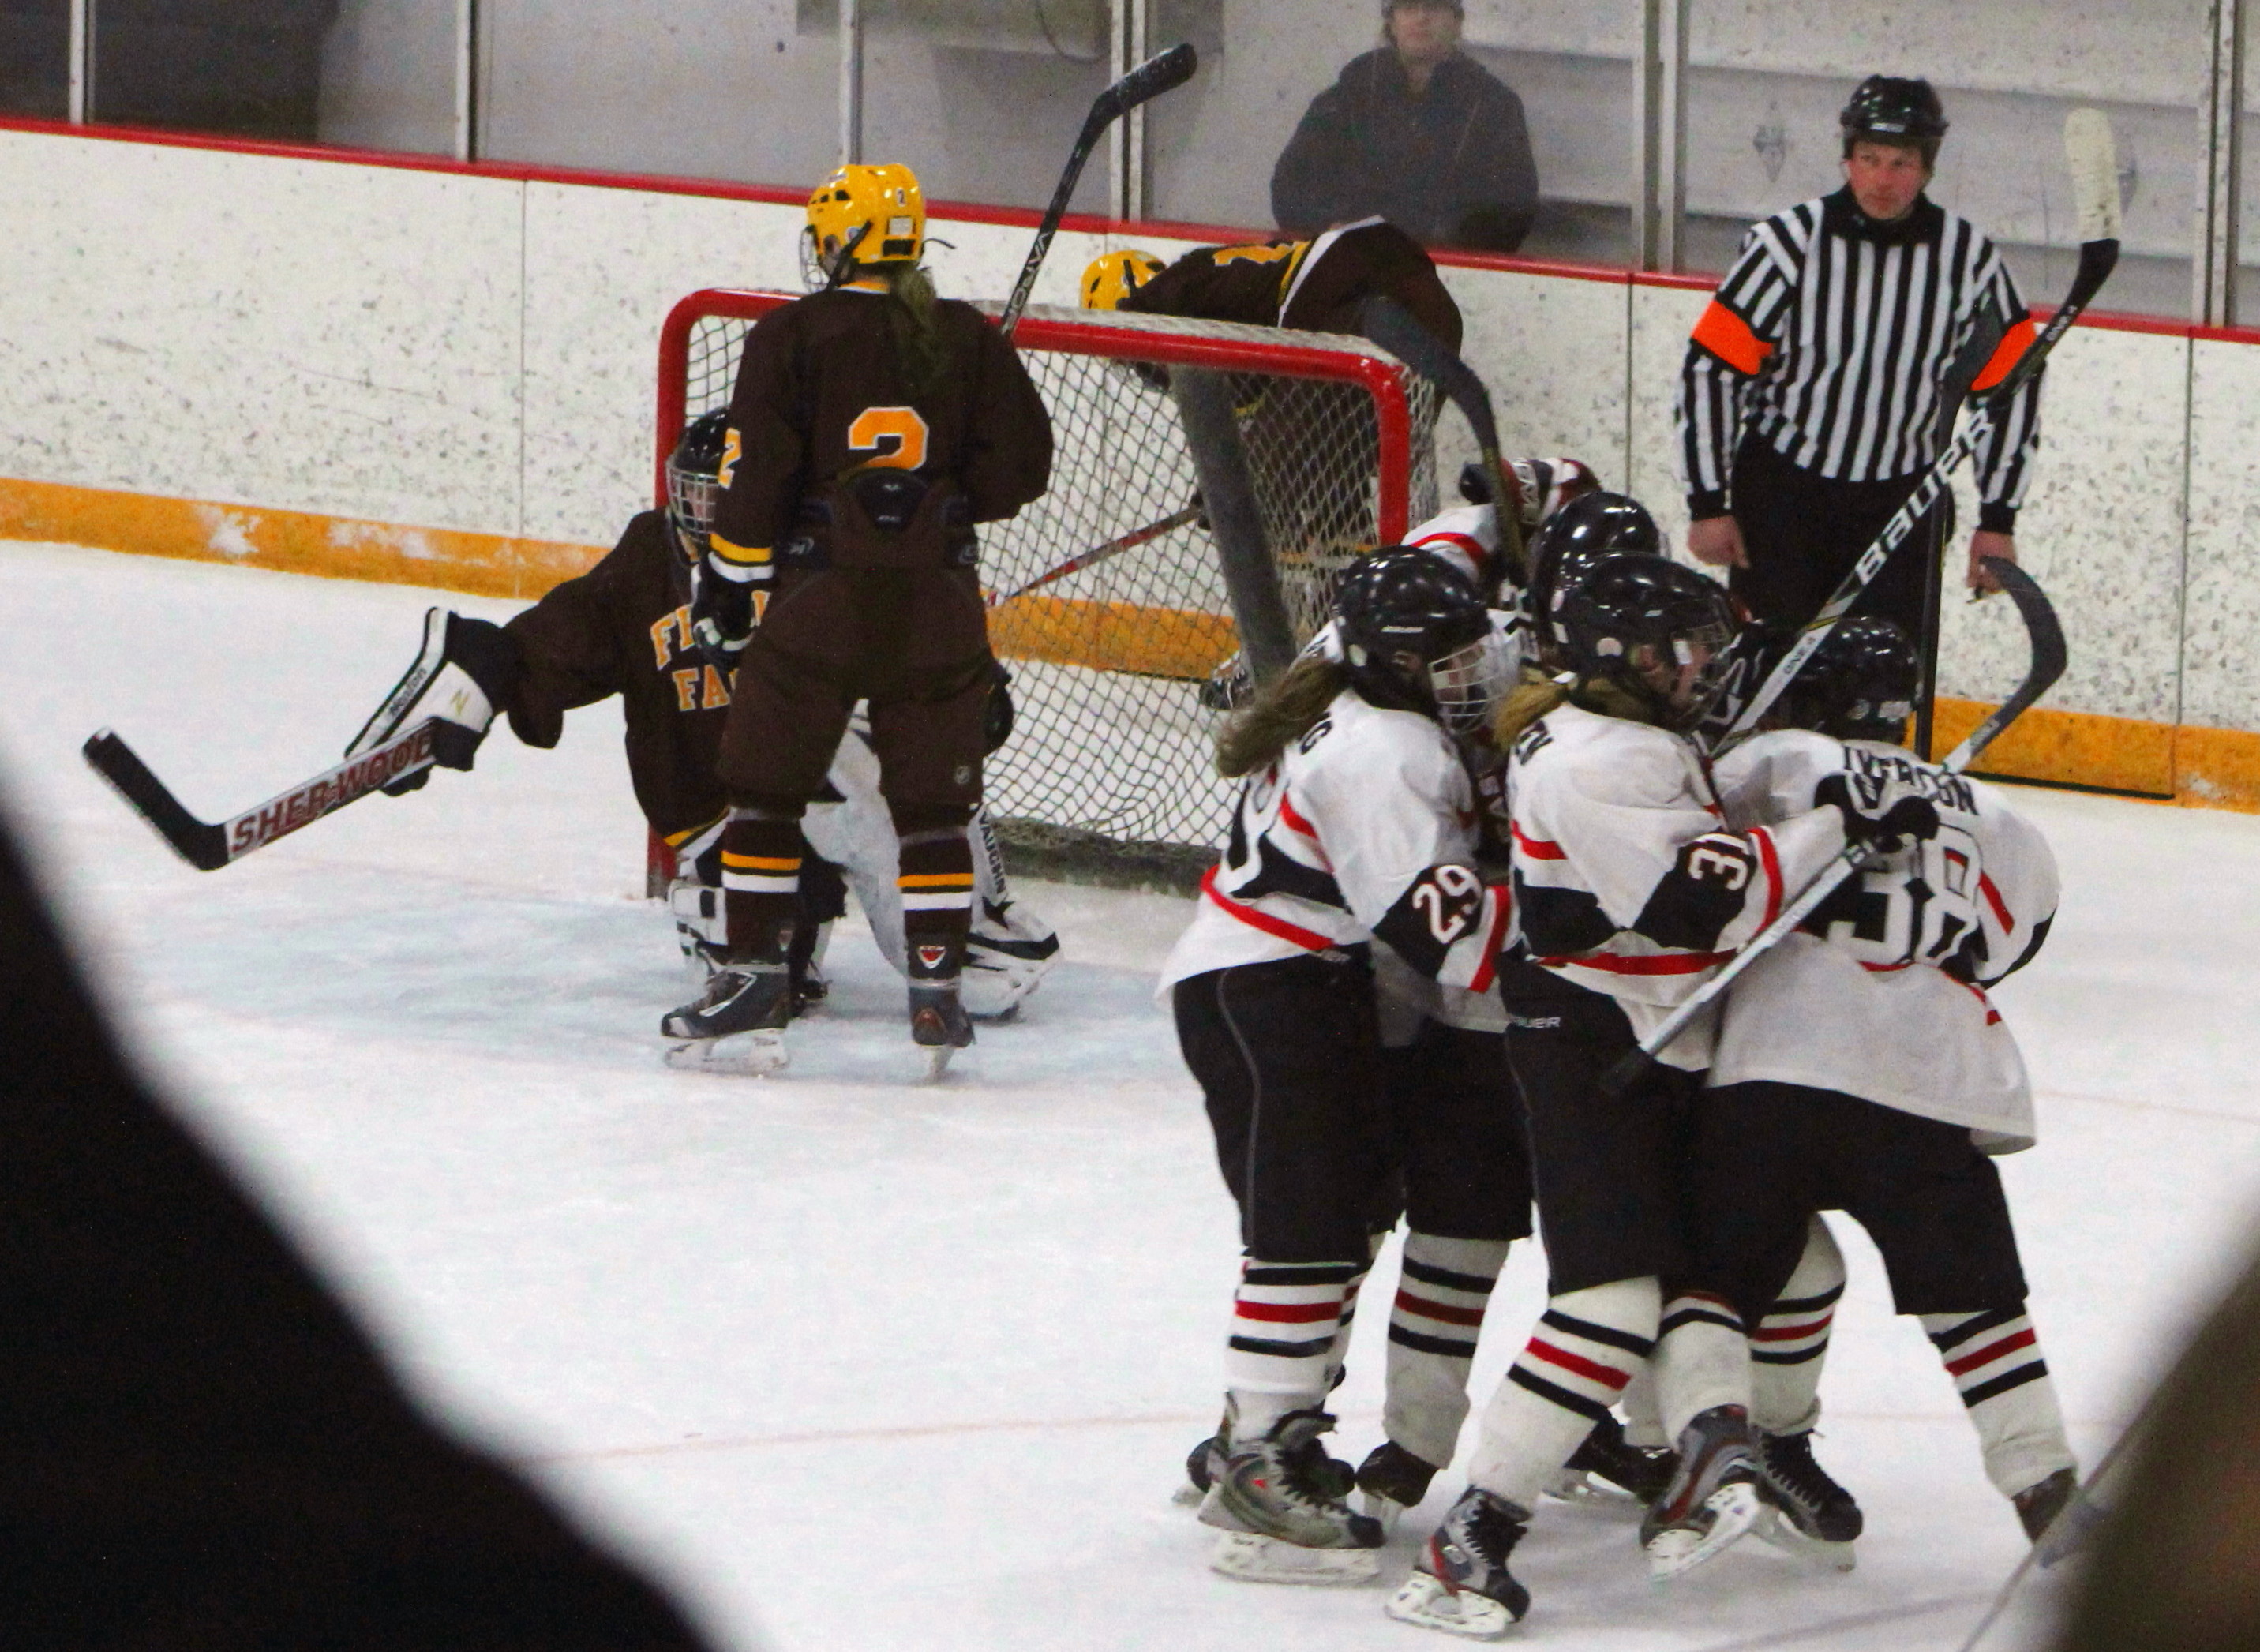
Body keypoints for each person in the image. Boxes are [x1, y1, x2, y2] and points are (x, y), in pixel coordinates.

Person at [1386, 547, 1936, 1636]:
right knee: (1608, 1306)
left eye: (1700, 650)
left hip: (1648, 1034)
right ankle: (1470, 1539)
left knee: (1775, 1267)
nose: (1696, 669)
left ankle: (1736, 1453)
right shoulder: (1597, 758)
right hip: (1595, 1043)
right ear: (1611, 658)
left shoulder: (1622, 732)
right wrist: (1838, 827)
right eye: (1672, 653)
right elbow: (1694, 906)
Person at [343, 410, 1059, 1032]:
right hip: (722, 807)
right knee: (763, 962)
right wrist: (480, 678)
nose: (706, 518)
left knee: (989, 979)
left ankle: (960, 903)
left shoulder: (835, 552)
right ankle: (771, 921)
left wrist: (965, 684)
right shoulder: (648, 561)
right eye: (696, 495)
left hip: (854, 790)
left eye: (726, 500)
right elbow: (560, 640)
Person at [1650, 616, 2080, 1571]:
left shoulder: (1764, 763)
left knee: (1712, 1276)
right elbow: (2011, 936)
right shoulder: (1987, 808)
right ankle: (2043, 1480)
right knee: (1976, 1302)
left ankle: (1717, 1447)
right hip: (1930, 1078)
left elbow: (1692, 887)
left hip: (1779, 1063)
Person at [1160, 549, 1516, 1585]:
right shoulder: (1386, 748)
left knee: (1336, 1214)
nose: (1468, 674)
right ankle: (1258, 1459)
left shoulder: (1344, 681)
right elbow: (1439, 935)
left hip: (1269, 982)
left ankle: (1257, 1433)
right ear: (1394, 664)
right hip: (1275, 987)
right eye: (1444, 660)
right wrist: (1575, 923)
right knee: (1309, 1230)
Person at [669, 162, 1053, 1074]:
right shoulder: (962, 336)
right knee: (932, 808)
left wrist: (729, 581)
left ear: (841, 243)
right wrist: (934, 505)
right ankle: (936, 991)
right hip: (936, 604)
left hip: (820, 602)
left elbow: (756, 476)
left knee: (766, 793)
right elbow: (1021, 470)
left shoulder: (791, 335)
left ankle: (755, 979)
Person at [1678, 74, 2043, 653]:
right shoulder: (1786, 245)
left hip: (1901, 506)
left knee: (1882, 679)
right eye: (1869, 159)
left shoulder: (1969, 260)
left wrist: (1998, 519)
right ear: (1847, 159)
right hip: (1783, 499)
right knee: (1768, 674)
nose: (1882, 179)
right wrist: (1707, 503)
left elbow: (2011, 390)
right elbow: (1712, 371)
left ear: (1926, 169)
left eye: (1901, 163)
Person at [1270, 0, 1539, 254]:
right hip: (1348, 266)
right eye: (1409, 7)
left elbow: (1513, 208)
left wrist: (1443, 246)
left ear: (1457, 22)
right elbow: (1290, 188)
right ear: (1391, 22)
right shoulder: (1345, 99)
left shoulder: (1494, 106)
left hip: (1449, 274)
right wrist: (1328, 228)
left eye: (1434, 6)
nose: (1421, 17)